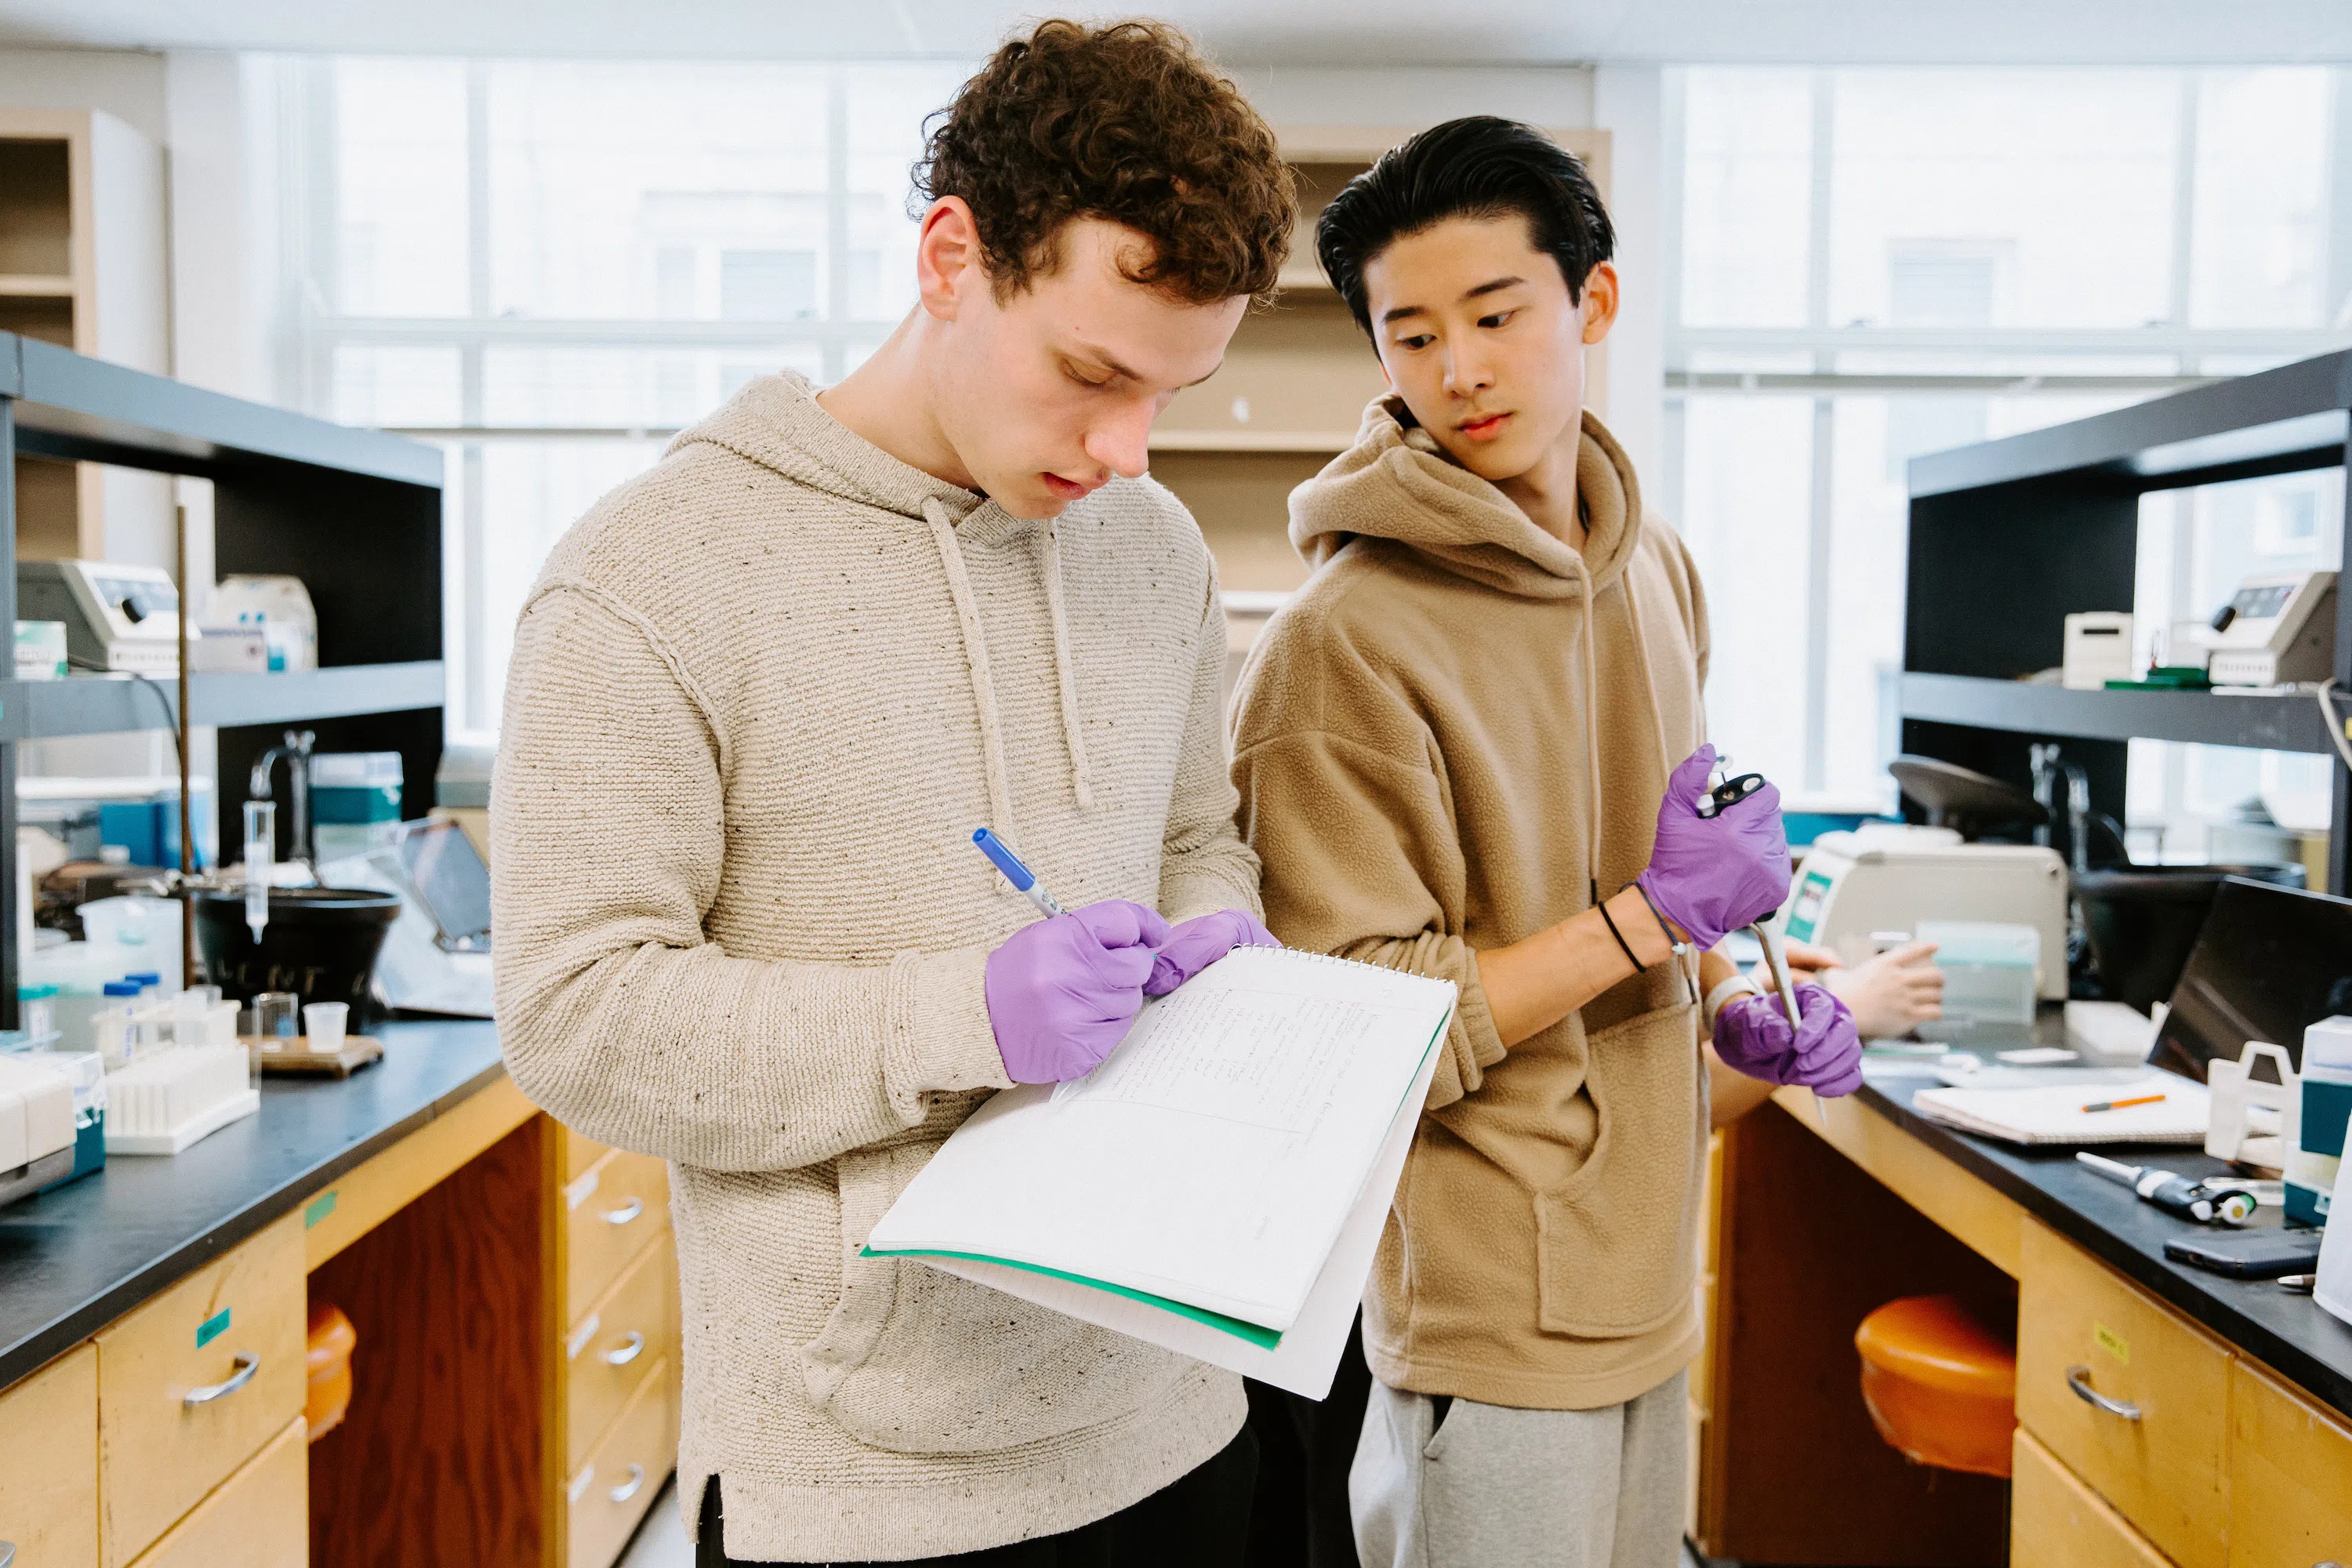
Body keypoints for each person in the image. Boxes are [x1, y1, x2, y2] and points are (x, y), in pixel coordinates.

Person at [490, 22, 1293, 1565]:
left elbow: (1199, 836)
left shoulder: (1156, 557)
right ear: (950, 257)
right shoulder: (646, 576)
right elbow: (579, 1014)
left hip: (1180, 1415)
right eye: (1090, 373)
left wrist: (1218, 938)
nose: (1126, 448)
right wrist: (969, 1017)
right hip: (862, 1484)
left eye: (1171, 396)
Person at [1229, 117, 1865, 1567]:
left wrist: (1736, 1019)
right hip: (1487, 1314)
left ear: (1594, 302)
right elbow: (1343, 1035)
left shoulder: (1656, 566)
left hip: (1650, 1273)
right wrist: (1650, 921)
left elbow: (1662, 915)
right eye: (1413, 333)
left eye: (1499, 314)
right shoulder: (1339, 647)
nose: (1459, 368)